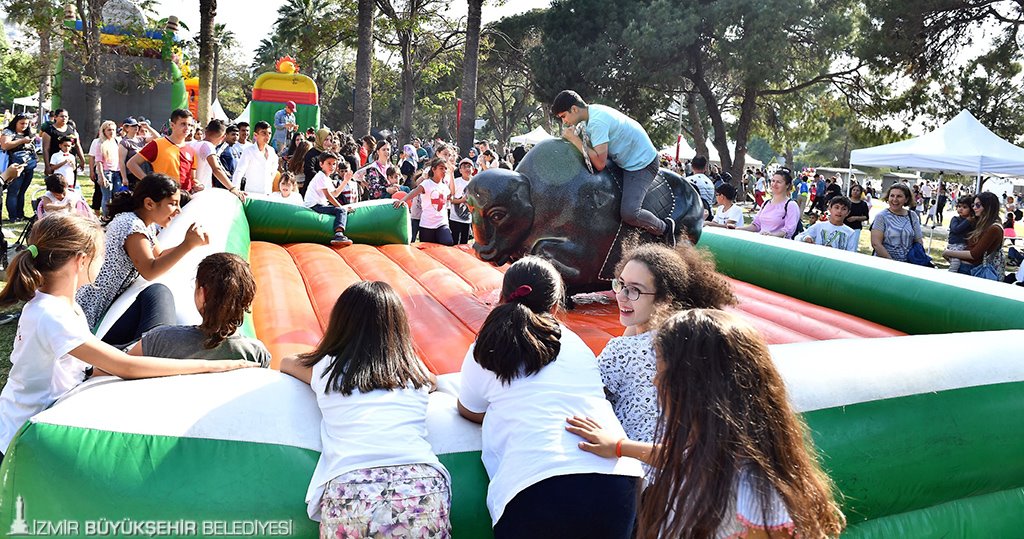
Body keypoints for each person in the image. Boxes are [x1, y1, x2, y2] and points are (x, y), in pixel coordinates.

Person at [566, 309, 845, 539]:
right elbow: (677, 457)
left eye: (662, 372)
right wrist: (619, 447)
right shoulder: (714, 447)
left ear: (698, 387)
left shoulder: (755, 497)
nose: (654, 381)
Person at [0, 214, 254, 464]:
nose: (104, 262)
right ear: (81, 260)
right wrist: (214, 365)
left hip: (21, 415)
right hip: (21, 434)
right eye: (101, 255)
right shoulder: (52, 315)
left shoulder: (55, 304)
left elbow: (79, 365)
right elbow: (127, 367)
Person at [458, 257, 644, 538]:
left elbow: (468, 408)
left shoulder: (488, 346)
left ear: (501, 298)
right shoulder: (577, 345)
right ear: (556, 306)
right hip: (616, 483)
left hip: (534, 483)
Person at [280, 281, 450, 537]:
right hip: (422, 487)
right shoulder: (413, 371)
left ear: (340, 323)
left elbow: (286, 362)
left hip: (353, 489)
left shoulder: (326, 368)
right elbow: (433, 381)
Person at [600, 243, 735, 477]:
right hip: (683, 474)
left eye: (634, 290)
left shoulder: (622, 351)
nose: (621, 295)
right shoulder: (693, 343)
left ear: (665, 299)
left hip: (632, 472)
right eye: (620, 284)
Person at [76, 174, 209, 347]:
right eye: (173, 203)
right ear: (149, 204)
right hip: (92, 309)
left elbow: (159, 255)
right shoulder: (132, 226)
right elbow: (150, 270)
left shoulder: (145, 224)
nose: (179, 210)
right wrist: (187, 245)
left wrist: (191, 243)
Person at [550, 90, 674, 242]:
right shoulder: (590, 114)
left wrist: (574, 140)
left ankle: (665, 229)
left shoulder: (597, 122)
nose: (564, 122)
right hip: (624, 158)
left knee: (630, 213)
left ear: (574, 109)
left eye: (564, 116)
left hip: (642, 164)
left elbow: (599, 164)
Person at [127, 253, 270, 366]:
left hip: (138, 350)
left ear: (202, 294)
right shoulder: (257, 355)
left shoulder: (160, 340)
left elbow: (124, 368)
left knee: (158, 292)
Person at [127, 109, 198, 193]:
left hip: (186, 196)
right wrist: (149, 182)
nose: (187, 128)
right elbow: (131, 163)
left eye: (190, 125)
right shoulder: (157, 144)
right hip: (164, 195)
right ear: (172, 125)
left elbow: (193, 178)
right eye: (183, 124)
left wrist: (197, 184)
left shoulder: (191, 150)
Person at [942, 191, 1005, 280]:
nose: (974, 208)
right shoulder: (981, 224)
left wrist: (948, 252)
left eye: (978, 205)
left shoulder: (994, 228)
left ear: (988, 207)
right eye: (973, 205)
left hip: (971, 271)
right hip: (965, 267)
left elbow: (974, 254)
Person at [393, 156, 452, 245]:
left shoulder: (444, 186)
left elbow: (450, 196)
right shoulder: (427, 183)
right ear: (433, 169)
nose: (444, 171)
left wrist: (452, 175)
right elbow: (414, 192)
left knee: (447, 241)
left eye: (445, 169)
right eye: (441, 168)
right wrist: (403, 200)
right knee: (427, 247)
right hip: (427, 224)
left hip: (441, 223)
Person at [732, 168, 801, 238]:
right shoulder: (766, 203)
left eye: (779, 182)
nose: (774, 184)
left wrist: (771, 235)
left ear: (787, 185)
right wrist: (737, 229)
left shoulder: (791, 205)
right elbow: (756, 225)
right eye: (773, 181)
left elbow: (788, 230)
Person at [304, 153, 355, 246]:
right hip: (314, 205)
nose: (332, 166)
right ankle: (338, 234)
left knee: (340, 209)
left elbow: (335, 194)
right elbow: (328, 196)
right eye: (329, 163)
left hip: (320, 205)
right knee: (340, 210)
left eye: (334, 164)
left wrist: (345, 181)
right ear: (321, 164)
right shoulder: (320, 176)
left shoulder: (327, 178)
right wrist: (342, 208)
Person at [870, 183, 923, 263]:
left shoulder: (912, 216)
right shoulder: (881, 217)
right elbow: (876, 244)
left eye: (899, 196)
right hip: (885, 264)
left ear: (906, 199)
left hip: (907, 264)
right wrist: (892, 263)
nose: (895, 199)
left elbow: (918, 241)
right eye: (892, 196)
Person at [192, 120, 243, 199]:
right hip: (202, 194)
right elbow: (216, 169)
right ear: (223, 137)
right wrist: (233, 188)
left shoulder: (193, 144)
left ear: (206, 131)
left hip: (192, 190)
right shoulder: (208, 146)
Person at [2, 114, 39, 221]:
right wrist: (21, 141)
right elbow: (5, 145)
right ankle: (13, 216)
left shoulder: (28, 133)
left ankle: (20, 215)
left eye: (27, 124)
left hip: (28, 166)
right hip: (15, 167)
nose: (24, 126)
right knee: (13, 192)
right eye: (22, 123)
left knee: (22, 191)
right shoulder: (8, 132)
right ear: (16, 122)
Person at [231, 121, 278, 195]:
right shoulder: (248, 151)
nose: (267, 136)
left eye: (269, 133)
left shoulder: (272, 151)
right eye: (264, 133)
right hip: (251, 194)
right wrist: (236, 190)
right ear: (256, 135)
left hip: (267, 193)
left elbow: (274, 169)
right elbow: (239, 172)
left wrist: (269, 182)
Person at [41, 108, 86, 176]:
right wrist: (47, 166)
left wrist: (82, 160)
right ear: (55, 117)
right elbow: (46, 149)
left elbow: (77, 145)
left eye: (66, 116)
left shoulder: (72, 130)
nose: (64, 118)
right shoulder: (49, 131)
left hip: (70, 163)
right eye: (62, 116)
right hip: (56, 163)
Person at [92, 120, 122, 216]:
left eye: (113, 130)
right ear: (104, 131)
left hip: (117, 172)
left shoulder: (117, 141)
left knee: (117, 196)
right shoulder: (100, 143)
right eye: (109, 130)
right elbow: (98, 161)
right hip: (106, 172)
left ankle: (115, 216)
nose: (111, 132)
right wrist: (101, 176)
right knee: (106, 197)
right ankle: (106, 217)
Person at [118, 117, 156, 190]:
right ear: (126, 128)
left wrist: (148, 127)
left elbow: (157, 138)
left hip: (145, 172)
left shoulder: (141, 139)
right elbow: (121, 162)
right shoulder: (124, 143)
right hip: (133, 175)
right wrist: (124, 178)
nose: (136, 127)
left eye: (137, 125)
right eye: (133, 126)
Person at [944, 195, 974, 274]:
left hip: (964, 246)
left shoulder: (972, 221)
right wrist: (967, 221)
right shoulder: (955, 219)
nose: (960, 209)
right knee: (955, 263)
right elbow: (956, 229)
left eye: (964, 207)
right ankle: (951, 275)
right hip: (955, 245)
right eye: (959, 206)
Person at [450, 158, 474, 244]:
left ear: (473, 169)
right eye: (464, 167)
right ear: (460, 170)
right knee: (454, 241)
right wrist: (462, 200)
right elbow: (450, 199)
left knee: (464, 242)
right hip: (455, 218)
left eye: (469, 166)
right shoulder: (456, 182)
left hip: (467, 219)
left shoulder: (475, 182)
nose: (467, 169)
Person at [686, 155, 716, 220]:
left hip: (692, 217)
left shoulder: (687, 181)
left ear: (692, 167)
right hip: (709, 216)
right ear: (705, 167)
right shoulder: (710, 182)